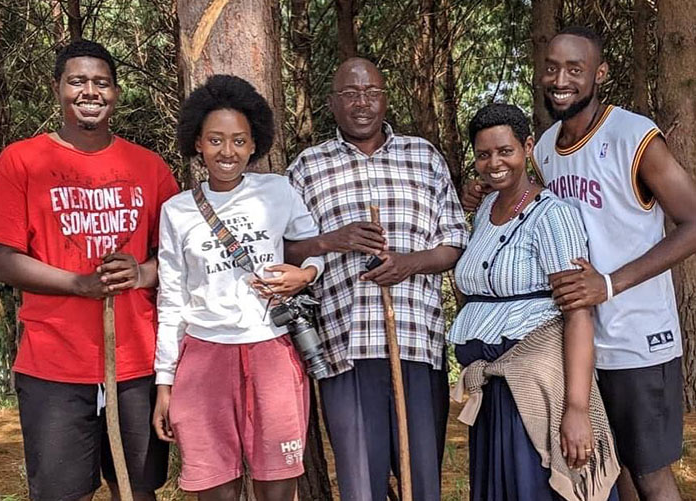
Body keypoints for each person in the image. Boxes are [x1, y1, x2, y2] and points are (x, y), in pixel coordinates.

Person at [463, 26, 696, 501]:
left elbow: (693, 222)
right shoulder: (545, 147)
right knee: (611, 472)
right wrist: (485, 189)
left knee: (648, 472)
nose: (560, 78)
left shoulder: (634, 136)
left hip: (636, 338)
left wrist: (609, 284)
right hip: (576, 344)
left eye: (575, 68)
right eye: (551, 67)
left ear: (599, 73)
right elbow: (532, 210)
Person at [0, 40, 179, 501]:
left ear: (116, 92)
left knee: (137, 489)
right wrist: (77, 284)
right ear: (58, 88)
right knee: (63, 494)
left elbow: (181, 257)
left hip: (136, 361)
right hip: (54, 364)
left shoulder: (150, 168)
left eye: (101, 82)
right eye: (77, 81)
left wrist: (142, 271)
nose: (90, 91)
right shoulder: (21, 161)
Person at [285, 57, 469, 501]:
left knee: (420, 479)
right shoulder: (308, 167)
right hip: (345, 346)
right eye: (350, 94)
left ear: (385, 98)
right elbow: (282, 250)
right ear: (332, 103)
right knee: (361, 484)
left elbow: (454, 243)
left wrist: (409, 263)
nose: (362, 103)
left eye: (372, 93)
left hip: (416, 343)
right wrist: (332, 240)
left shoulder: (423, 157)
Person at [151, 74, 324, 501]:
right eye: (215, 140)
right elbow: (171, 298)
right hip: (203, 359)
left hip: (272, 353)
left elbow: (314, 249)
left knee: (277, 486)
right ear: (197, 143)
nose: (227, 152)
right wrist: (164, 383)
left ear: (253, 144)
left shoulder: (278, 190)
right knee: (213, 488)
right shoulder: (176, 211)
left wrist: (305, 276)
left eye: (238, 141)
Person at [449, 103, 619, 501]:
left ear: (527, 147)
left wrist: (576, 408)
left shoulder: (552, 216)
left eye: (505, 150)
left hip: (534, 385)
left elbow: (578, 312)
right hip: (494, 391)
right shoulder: (486, 208)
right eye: (483, 154)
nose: (494, 163)